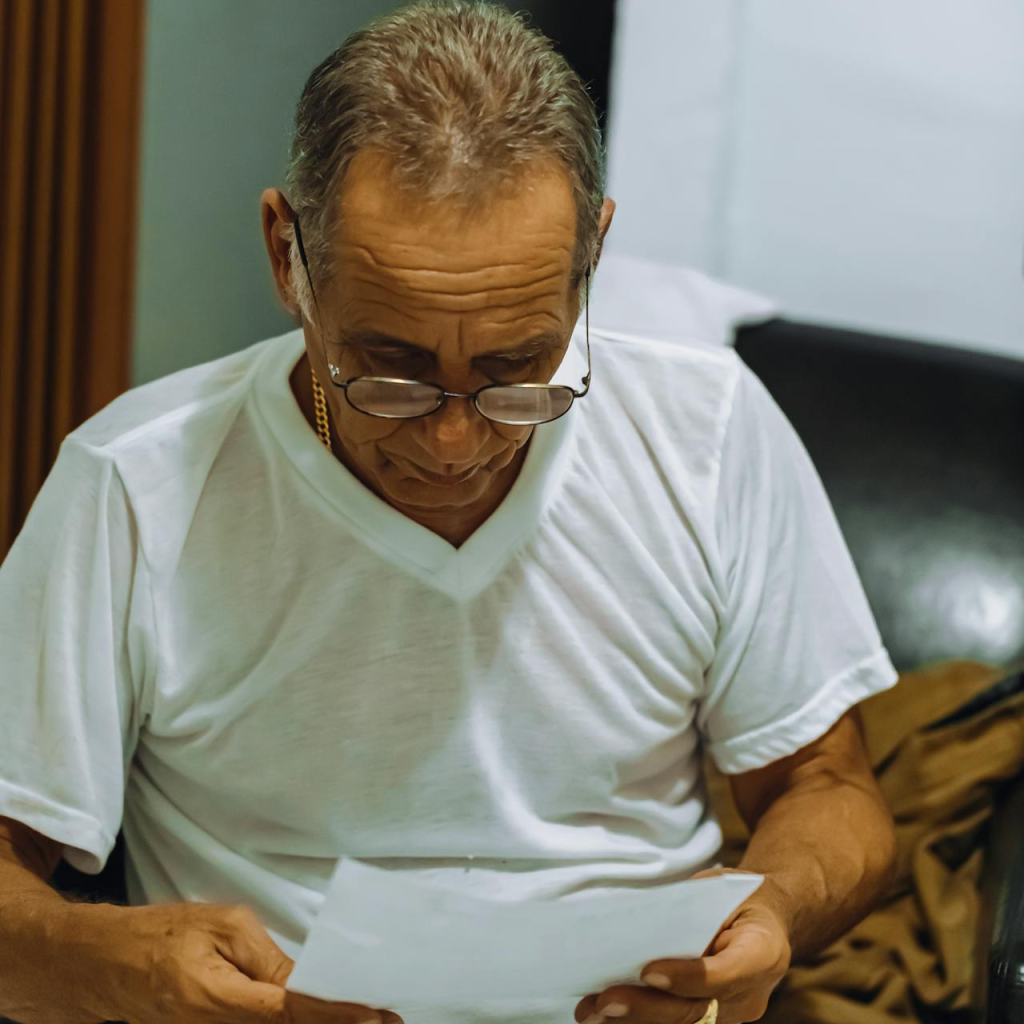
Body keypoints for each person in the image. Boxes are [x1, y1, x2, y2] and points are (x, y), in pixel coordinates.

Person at [0, 3, 899, 1023]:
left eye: (519, 370)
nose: (455, 443)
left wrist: (772, 914)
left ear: (592, 259)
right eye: (393, 373)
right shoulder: (136, 483)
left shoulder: (707, 433)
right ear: (288, 257)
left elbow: (828, 788)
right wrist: (113, 960)